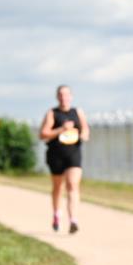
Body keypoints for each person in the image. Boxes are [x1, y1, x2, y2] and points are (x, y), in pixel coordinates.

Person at [39, 84, 89, 233]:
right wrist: (62, 129)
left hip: (73, 153)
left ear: (71, 96)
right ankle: (56, 214)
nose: (63, 97)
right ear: (57, 97)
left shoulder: (77, 112)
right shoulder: (52, 113)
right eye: (61, 94)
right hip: (56, 154)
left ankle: (73, 220)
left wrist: (84, 135)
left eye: (66, 94)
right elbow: (43, 134)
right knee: (58, 187)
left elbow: (85, 128)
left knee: (72, 185)